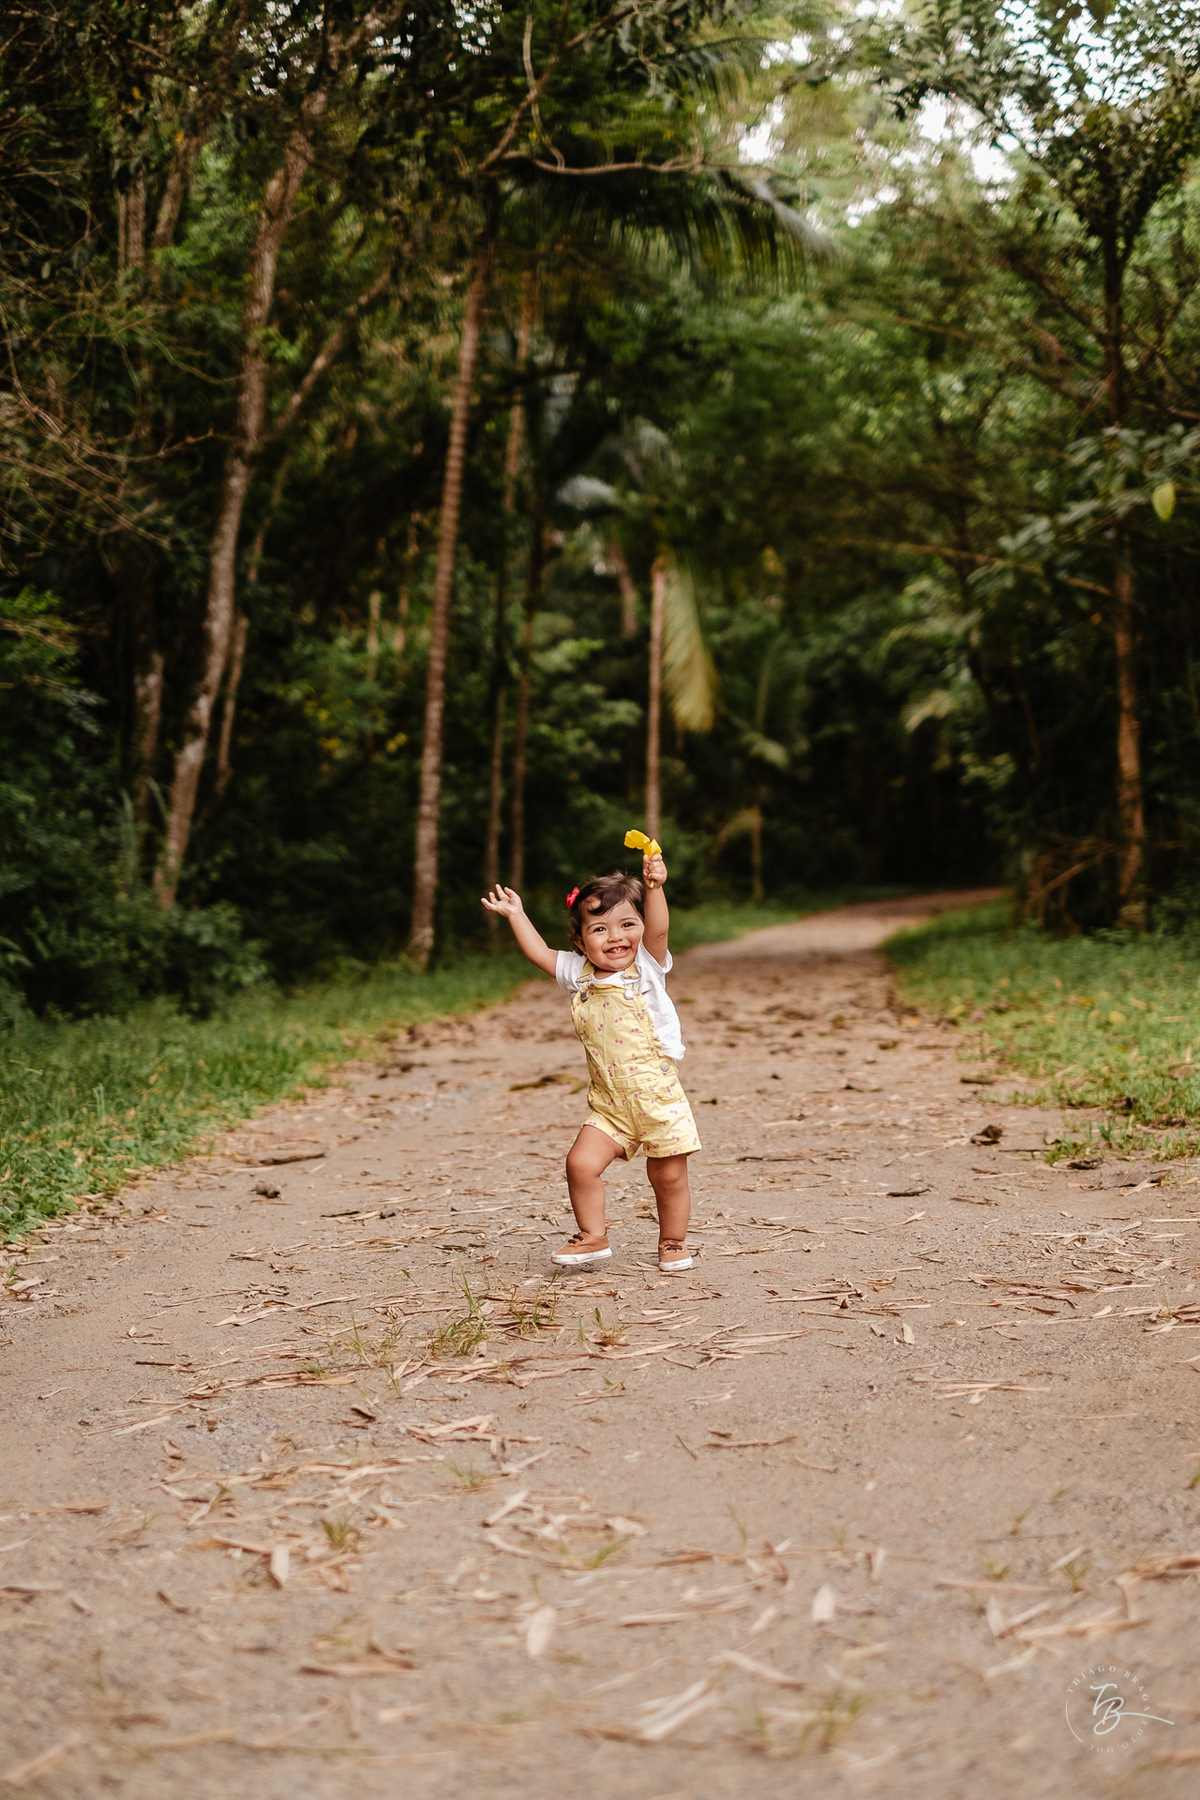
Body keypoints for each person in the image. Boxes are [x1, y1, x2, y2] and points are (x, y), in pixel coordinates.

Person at [481, 846, 700, 1273]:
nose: (616, 936)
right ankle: (593, 1236)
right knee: (579, 1164)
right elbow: (539, 954)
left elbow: (658, 929)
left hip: (658, 1100)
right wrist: (516, 915)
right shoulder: (578, 975)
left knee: (667, 1177)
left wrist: (654, 888)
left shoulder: (647, 968)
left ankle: (672, 1241)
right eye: (600, 929)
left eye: (627, 925)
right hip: (609, 1105)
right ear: (581, 942)